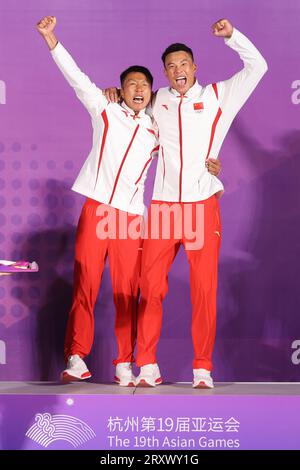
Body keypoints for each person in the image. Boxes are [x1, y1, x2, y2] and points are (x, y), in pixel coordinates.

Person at [36, 16, 221, 386]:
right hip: (98, 209)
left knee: (127, 292)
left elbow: (190, 142)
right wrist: (51, 38)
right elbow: (75, 77)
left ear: (152, 92)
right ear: (119, 91)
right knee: (86, 282)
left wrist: (213, 163)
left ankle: (125, 362)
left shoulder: (157, 124)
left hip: (131, 218)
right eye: (130, 85)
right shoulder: (103, 111)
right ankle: (77, 357)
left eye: (144, 85)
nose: (138, 89)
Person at [131, 19, 267, 388]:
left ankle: (202, 367)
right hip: (161, 207)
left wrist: (232, 37)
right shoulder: (156, 99)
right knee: (150, 286)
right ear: (164, 73)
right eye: (171, 66)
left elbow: (258, 66)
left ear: (195, 68)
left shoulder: (217, 96)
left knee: (204, 289)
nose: (178, 71)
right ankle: (147, 365)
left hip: (200, 205)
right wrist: (114, 92)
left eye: (183, 64)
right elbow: (129, 111)